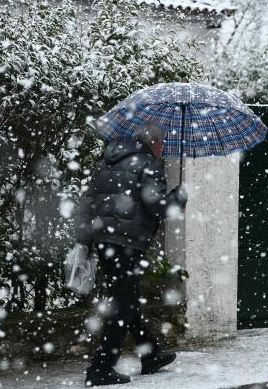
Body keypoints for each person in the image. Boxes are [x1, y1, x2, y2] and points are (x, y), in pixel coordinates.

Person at [75, 121, 188, 386]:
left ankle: (151, 354)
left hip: (105, 242)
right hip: (127, 244)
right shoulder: (148, 164)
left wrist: (84, 242)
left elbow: (87, 204)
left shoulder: (107, 161)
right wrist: (177, 199)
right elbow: (154, 204)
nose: (162, 150)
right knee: (123, 305)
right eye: (162, 145)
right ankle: (100, 368)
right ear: (155, 143)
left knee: (126, 298)